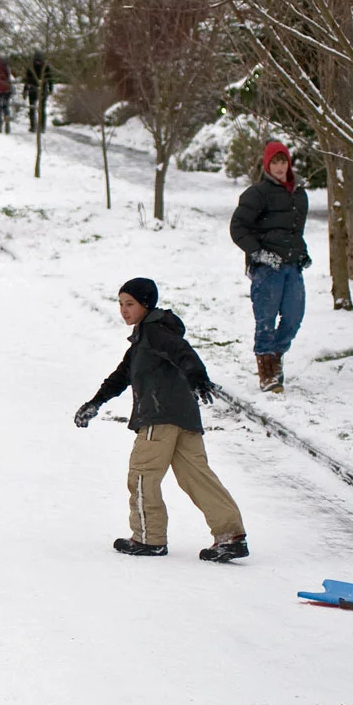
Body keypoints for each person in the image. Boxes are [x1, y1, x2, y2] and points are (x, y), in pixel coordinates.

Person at [73, 277, 249, 563]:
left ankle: (148, 537)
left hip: (159, 417)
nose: (123, 310)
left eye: (129, 304)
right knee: (197, 476)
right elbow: (121, 376)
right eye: (120, 304)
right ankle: (231, 536)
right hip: (184, 417)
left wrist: (197, 376)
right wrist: (95, 402)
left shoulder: (154, 333)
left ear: (145, 304)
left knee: (142, 475)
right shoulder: (146, 338)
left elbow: (182, 353)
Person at [229, 140, 311, 392]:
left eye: (282, 161)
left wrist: (302, 252)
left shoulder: (299, 194)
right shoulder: (257, 193)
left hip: (291, 265)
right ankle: (266, 371)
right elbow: (238, 228)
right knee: (265, 319)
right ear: (267, 165)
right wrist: (259, 254)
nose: (279, 166)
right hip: (267, 269)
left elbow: (295, 230)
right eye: (274, 162)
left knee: (294, 317)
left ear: (288, 163)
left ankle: (276, 356)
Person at [22, 52, 55, 133]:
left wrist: (25, 91)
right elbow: (50, 79)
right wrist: (50, 89)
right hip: (42, 90)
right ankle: (41, 126)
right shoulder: (46, 67)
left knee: (33, 108)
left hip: (33, 89)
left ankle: (33, 126)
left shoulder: (31, 67)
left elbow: (27, 80)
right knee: (40, 109)